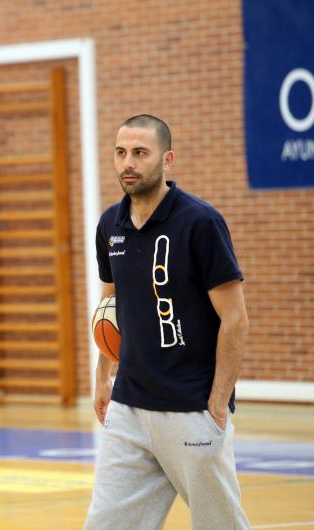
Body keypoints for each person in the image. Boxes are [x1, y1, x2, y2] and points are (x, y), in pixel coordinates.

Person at [84, 115, 250, 529]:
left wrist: (216, 403)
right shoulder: (110, 224)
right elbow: (112, 302)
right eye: (121, 153)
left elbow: (235, 319)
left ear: (167, 159)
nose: (129, 163)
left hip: (191, 409)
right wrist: (104, 374)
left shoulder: (200, 222)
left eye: (141, 153)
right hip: (128, 409)